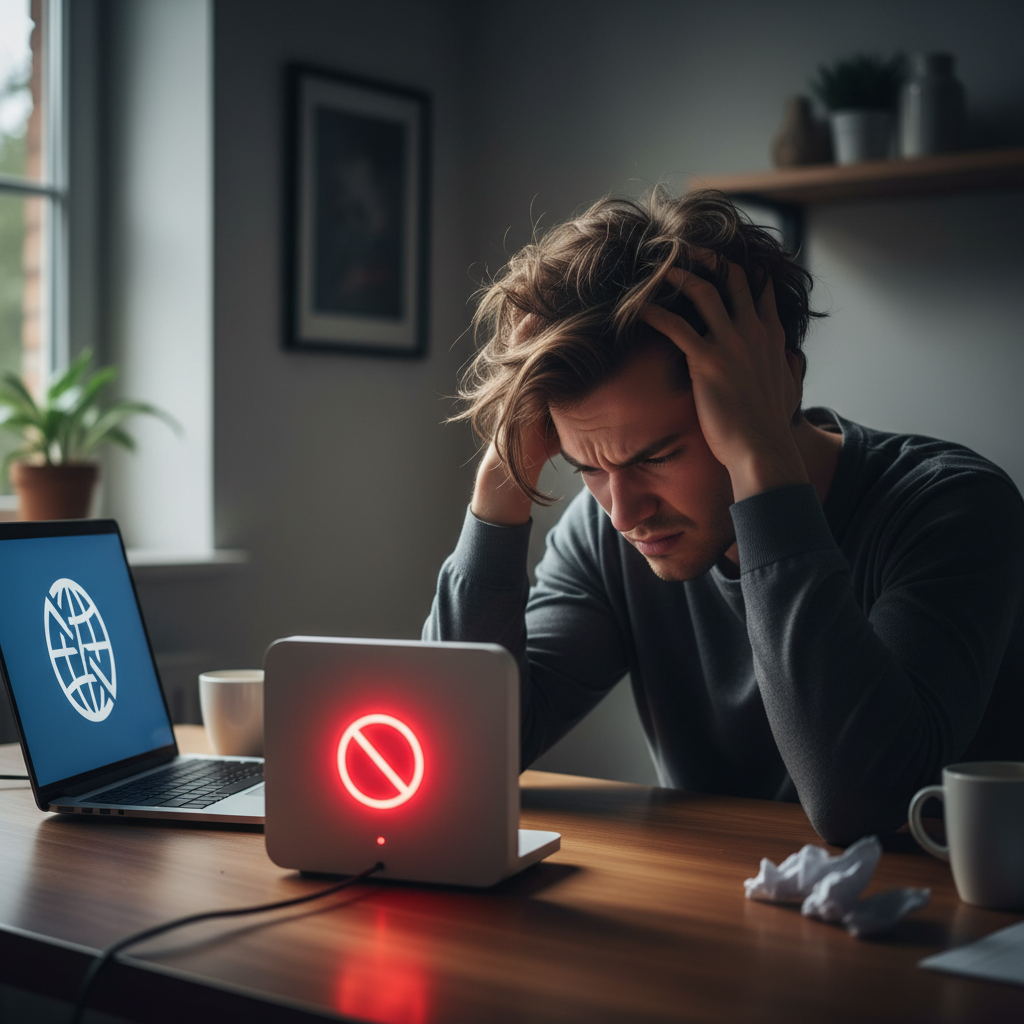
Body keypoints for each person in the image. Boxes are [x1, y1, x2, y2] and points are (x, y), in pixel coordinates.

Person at [423, 187, 1024, 845]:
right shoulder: (605, 533)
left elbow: (869, 809)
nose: (624, 512)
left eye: (656, 455)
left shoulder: (950, 509)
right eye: (587, 467)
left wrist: (762, 468)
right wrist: (501, 478)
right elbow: (458, 757)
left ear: (774, 385)